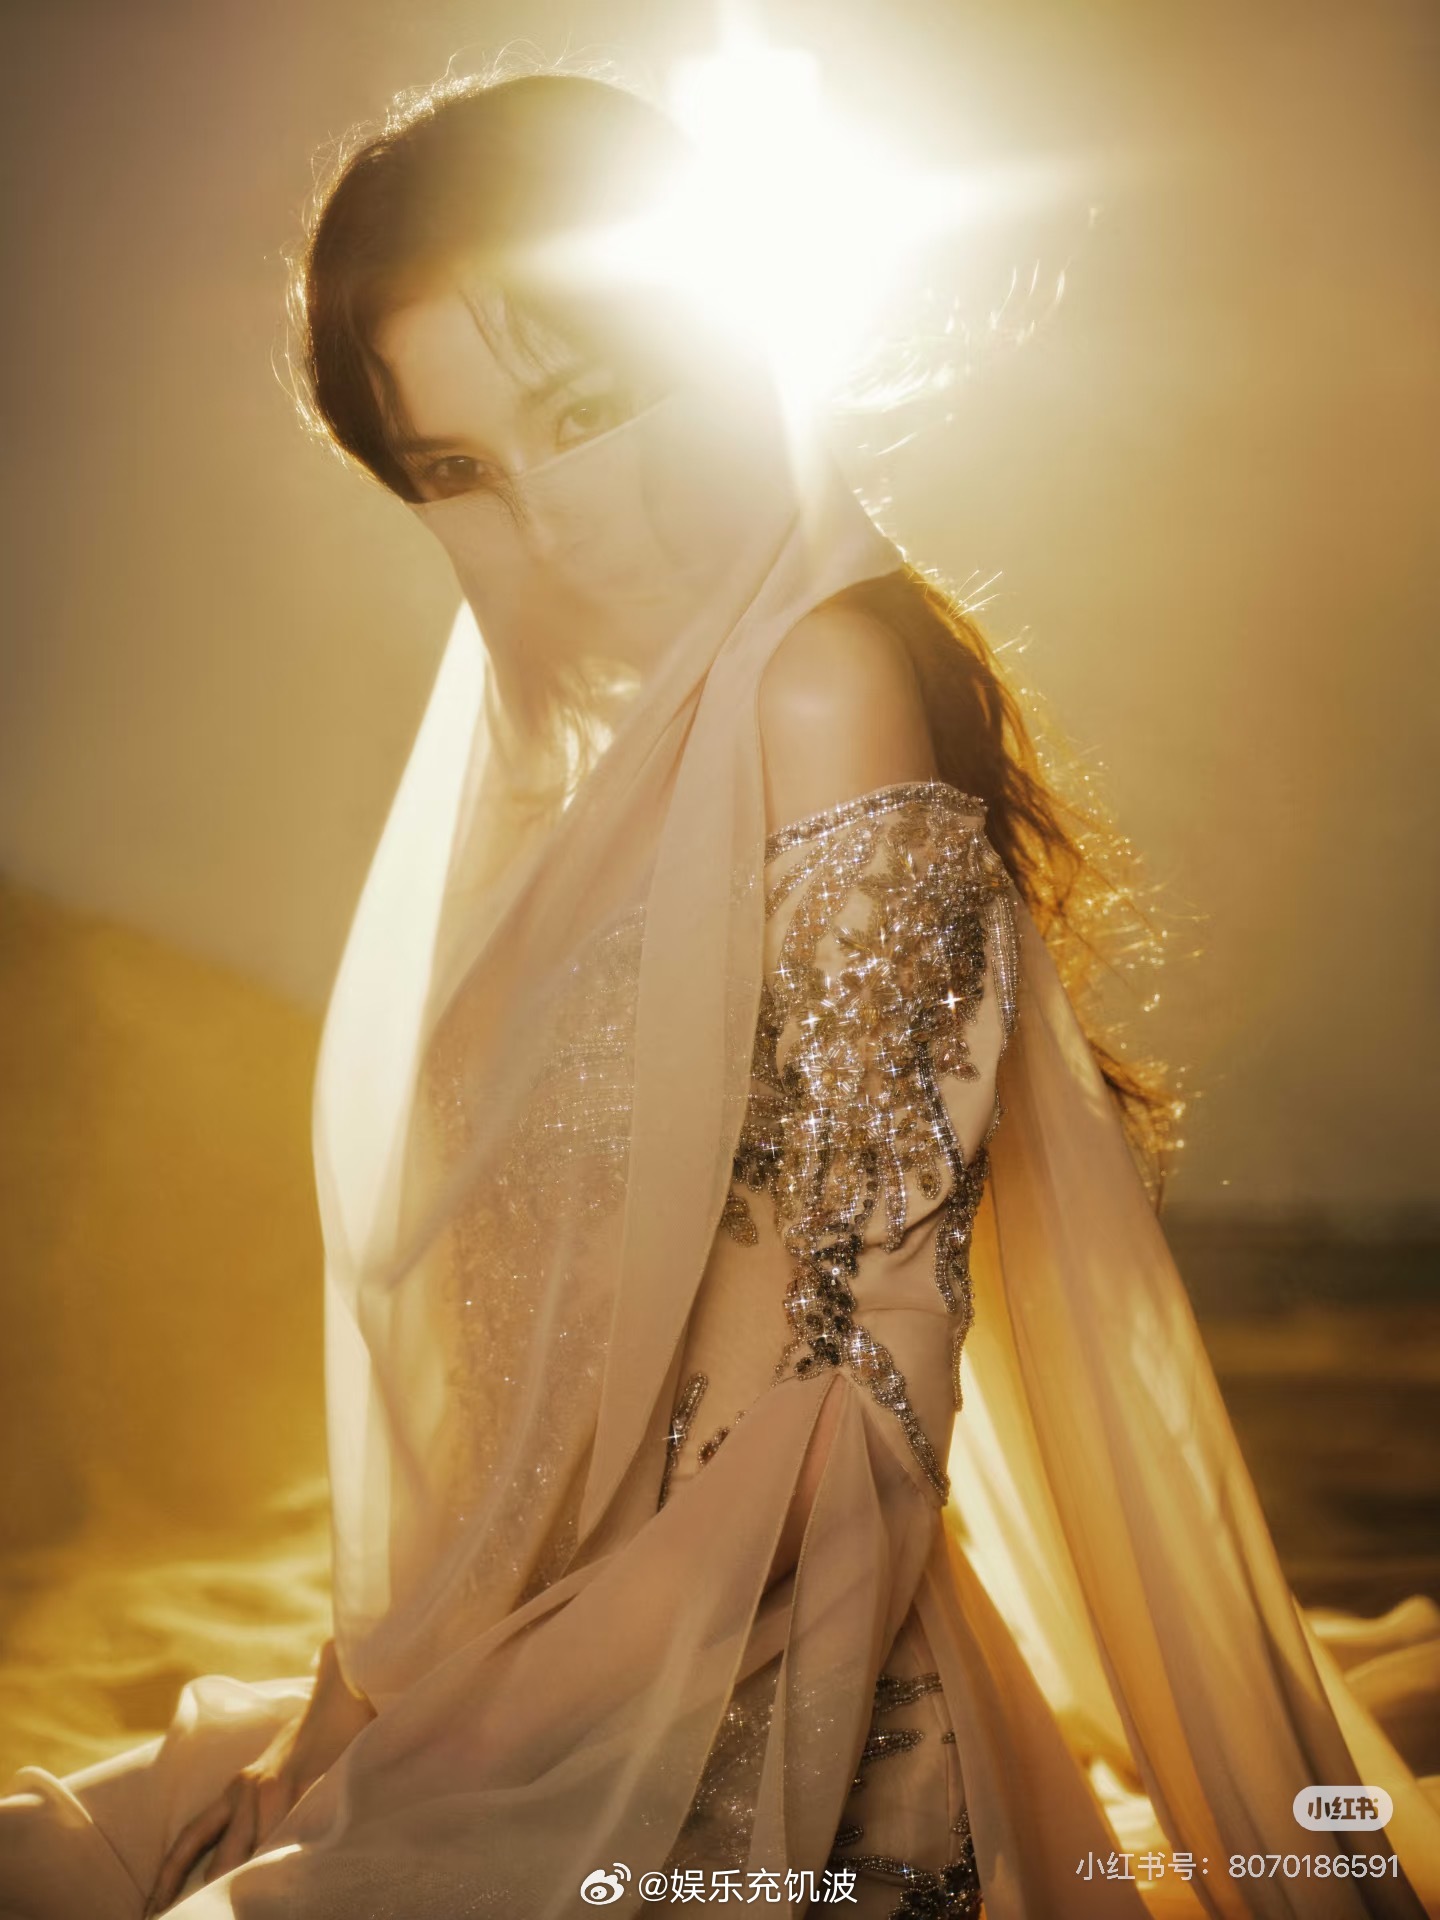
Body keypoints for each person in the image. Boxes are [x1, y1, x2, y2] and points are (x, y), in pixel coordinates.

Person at [2, 67, 1439, 1920]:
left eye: (586, 413)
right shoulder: (582, 767)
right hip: (512, 1653)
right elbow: (509, 1354)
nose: (552, 523)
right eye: (458, 473)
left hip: (770, 1698)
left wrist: (512, 1741)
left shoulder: (823, 693)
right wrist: (368, 1700)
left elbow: (855, 1372)